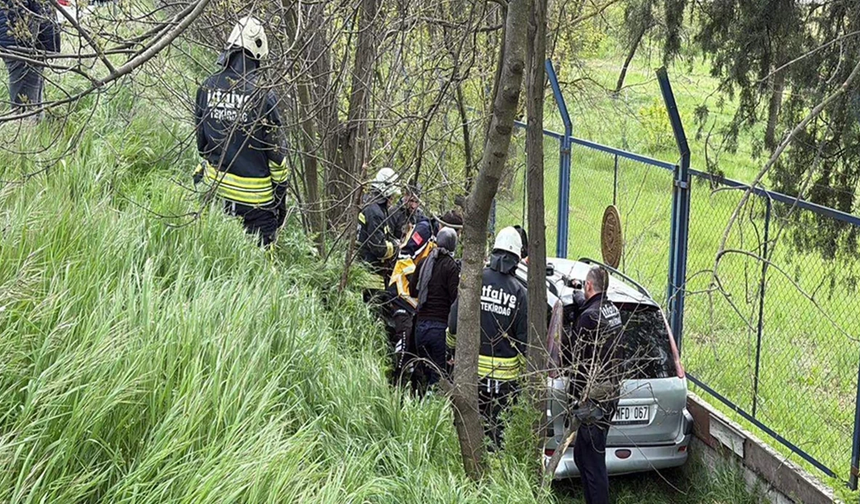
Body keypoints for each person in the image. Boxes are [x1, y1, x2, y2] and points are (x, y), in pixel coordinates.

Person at [193, 16, 288, 247]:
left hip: (216, 195)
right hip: (257, 208)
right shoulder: (264, 96)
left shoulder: (206, 87)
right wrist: (280, 200)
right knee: (259, 264)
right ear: (257, 54)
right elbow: (277, 158)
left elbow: (202, 146)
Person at [447, 226, 528, 447]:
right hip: (505, 384)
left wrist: (451, 348)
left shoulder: (476, 280)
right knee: (499, 438)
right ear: (517, 257)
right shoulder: (520, 293)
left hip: (471, 375)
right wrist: (523, 375)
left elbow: (454, 322)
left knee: (468, 432)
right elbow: (524, 343)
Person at [563, 265, 623, 504]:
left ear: (589, 285)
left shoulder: (588, 318)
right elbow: (594, 312)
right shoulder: (611, 310)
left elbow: (578, 362)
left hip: (593, 398)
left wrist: (574, 400)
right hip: (610, 393)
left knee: (593, 463)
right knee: (583, 456)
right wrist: (581, 299)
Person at [410, 227, 459, 388]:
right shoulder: (451, 267)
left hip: (420, 328)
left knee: (425, 373)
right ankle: (433, 401)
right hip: (439, 329)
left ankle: (419, 400)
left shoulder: (424, 262)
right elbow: (455, 298)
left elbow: (412, 291)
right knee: (439, 378)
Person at [0, 0, 60, 119]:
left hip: (20, 41)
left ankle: (32, 127)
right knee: (26, 110)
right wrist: (51, 44)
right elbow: (43, 9)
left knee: (32, 105)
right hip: (23, 45)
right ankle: (25, 127)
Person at [357, 167, 401, 287]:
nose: (392, 199)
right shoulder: (375, 212)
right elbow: (379, 248)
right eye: (391, 195)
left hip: (368, 266)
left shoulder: (375, 205)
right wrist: (396, 247)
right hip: (369, 270)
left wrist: (393, 241)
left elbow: (383, 234)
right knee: (374, 297)